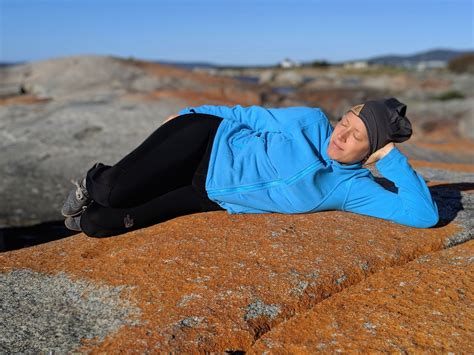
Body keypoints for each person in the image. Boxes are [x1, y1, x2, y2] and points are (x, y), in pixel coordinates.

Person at [61, 97, 439, 238]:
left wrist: (392, 160)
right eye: (345, 122)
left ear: (372, 150)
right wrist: (190, 114)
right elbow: (246, 115)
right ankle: (93, 180)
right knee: (112, 190)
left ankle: (94, 204)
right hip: (204, 141)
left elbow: (421, 215)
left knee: (99, 224)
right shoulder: (308, 121)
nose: (340, 135)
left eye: (356, 136)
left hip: (204, 194)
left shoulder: (352, 188)